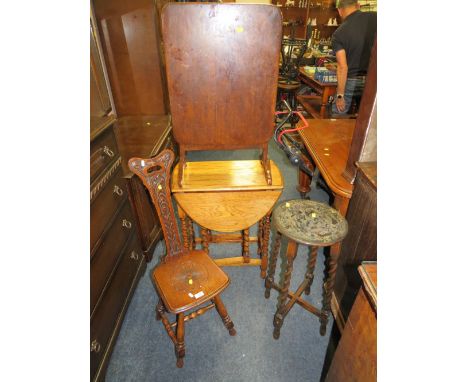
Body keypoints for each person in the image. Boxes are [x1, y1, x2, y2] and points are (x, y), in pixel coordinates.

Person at [330, 0, 377, 115]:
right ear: (358, 6)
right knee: (366, 121)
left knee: (338, 116)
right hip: (373, 80)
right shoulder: (375, 18)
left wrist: (340, 95)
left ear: (340, 11)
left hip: (350, 79)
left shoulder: (339, 33)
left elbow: (342, 67)